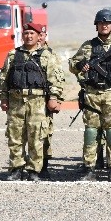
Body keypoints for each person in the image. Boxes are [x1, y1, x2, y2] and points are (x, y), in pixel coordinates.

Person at [69, 9, 111, 182]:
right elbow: (72, 64)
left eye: (107, 23)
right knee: (91, 132)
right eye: (101, 23)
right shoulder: (89, 46)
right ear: (96, 25)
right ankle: (89, 168)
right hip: (92, 94)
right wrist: (80, 65)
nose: (104, 26)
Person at [0, 23, 64, 181]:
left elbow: (55, 79)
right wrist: (3, 97)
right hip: (16, 101)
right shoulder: (13, 54)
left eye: (32, 33)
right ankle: (16, 168)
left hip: (38, 101)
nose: (29, 36)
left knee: (36, 137)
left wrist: (54, 98)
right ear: (22, 35)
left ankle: (34, 170)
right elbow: (4, 78)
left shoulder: (47, 56)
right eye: (26, 33)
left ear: (38, 36)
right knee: (15, 137)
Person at [38, 25, 67, 180]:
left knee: (45, 134)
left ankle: (44, 167)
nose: (40, 37)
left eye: (42, 34)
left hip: (45, 101)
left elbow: (58, 78)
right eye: (38, 34)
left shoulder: (51, 55)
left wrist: (56, 99)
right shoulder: (21, 52)